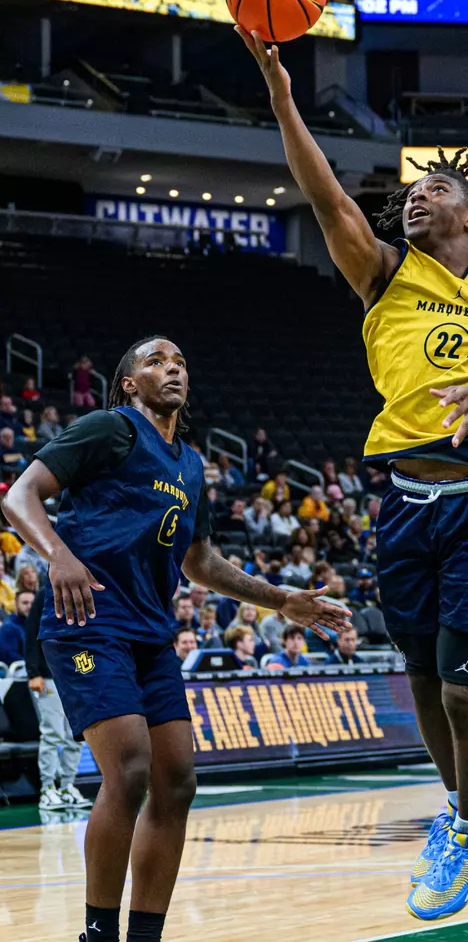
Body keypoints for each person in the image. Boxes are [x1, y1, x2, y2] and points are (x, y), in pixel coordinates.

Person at [238, 25, 468, 921]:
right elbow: (323, 191)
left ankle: (465, 817)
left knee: (462, 685)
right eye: (411, 191)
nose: (417, 199)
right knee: (417, 668)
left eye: (438, 189)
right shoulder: (379, 275)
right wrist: (284, 99)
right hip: (403, 497)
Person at [0, 335, 349, 942]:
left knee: (178, 781)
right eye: (156, 361)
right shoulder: (109, 428)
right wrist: (57, 554)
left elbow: (201, 563)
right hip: (89, 619)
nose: (173, 369)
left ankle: (145, 936)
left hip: (150, 632)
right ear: (130, 382)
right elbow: (18, 495)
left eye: (182, 361)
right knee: (130, 769)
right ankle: (99, 932)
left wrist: (282, 600)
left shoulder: (190, 464)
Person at [26, 584, 90, 810]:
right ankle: (47, 788)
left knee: (78, 736)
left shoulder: (85, 591)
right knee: (53, 733)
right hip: (48, 674)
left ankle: (66, 786)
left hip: (76, 674)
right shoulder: (45, 594)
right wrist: (33, 672)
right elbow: (32, 632)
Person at [0, 587, 33, 663]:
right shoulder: (9, 628)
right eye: (25, 603)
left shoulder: (35, 625)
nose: (30, 606)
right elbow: (9, 656)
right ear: (16, 605)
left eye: (32, 603)